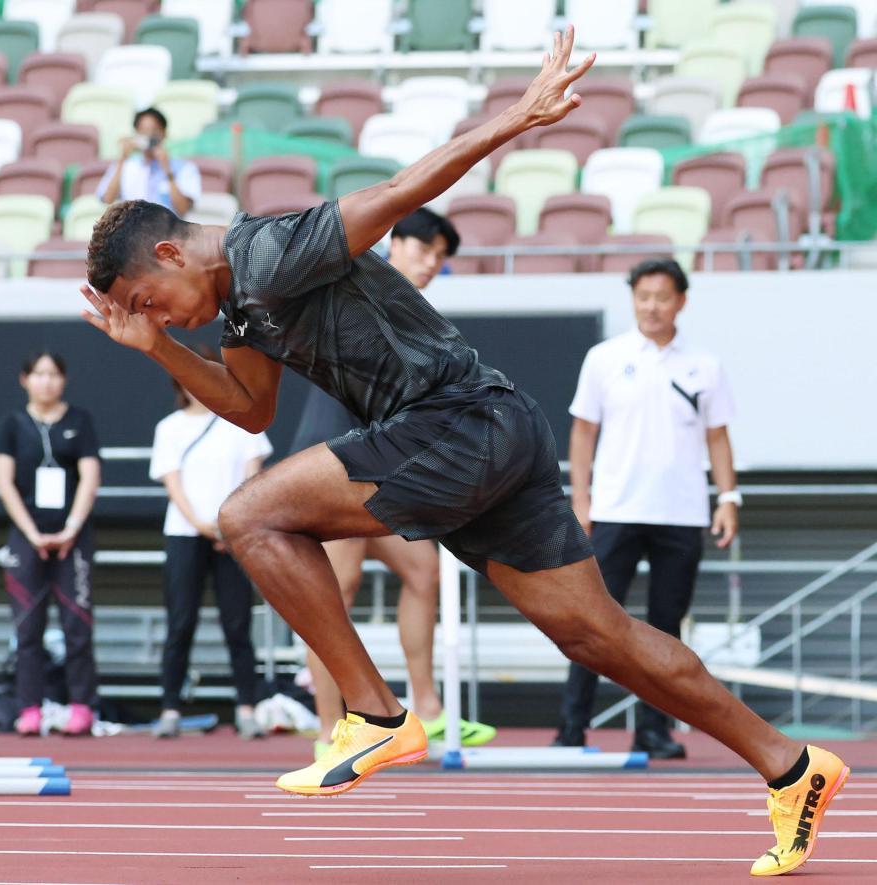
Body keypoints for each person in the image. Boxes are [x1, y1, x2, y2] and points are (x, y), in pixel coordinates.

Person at [79, 29, 849, 876]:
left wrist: (518, 116)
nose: (162, 317)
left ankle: (375, 714)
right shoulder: (237, 312)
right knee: (601, 637)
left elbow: (404, 190)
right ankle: (791, 765)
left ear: (168, 251)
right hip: (488, 431)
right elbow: (252, 411)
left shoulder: (264, 249)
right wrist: (154, 349)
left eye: (152, 303)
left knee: (247, 514)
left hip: (458, 420)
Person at [289, 208, 496, 758]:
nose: (432, 264)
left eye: (440, 258)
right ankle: (331, 729)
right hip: (330, 460)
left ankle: (425, 706)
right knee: (337, 590)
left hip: (376, 461)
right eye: (424, 251)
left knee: (422, 567)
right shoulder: (361, 284)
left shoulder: (413, 307)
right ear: (395, 244)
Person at [555, 258, 740, 759]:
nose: (652, 306)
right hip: (615, 509)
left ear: (681, 300)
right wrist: (582, 497)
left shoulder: (705, 365)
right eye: (643, 297)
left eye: (662, 297)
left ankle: (653, 731)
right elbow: (582, 431)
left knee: (665, 628)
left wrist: (727, 498)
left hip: (681, 514)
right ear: (632, 299)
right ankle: (572, 727)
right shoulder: (604, 358)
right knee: (592, 622)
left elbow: (718, 437)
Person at [149, 346, 273, 739]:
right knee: (180, 622)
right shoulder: (168, 428)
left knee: (237, 624)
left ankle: (247, 707)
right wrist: (205, 525)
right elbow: (174, 485)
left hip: (233, 537)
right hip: (185, 535)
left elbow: (253, 480)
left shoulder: (243, 424)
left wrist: (228, 525)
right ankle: (169, 707)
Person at [0, 351, 101, 736]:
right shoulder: (12, 425)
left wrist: (71, 527)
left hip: (74, 541)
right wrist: (31, 532)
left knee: (78, 626)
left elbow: (90, 477)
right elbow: (4, 482)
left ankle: (82, 706)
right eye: (39, 374)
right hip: (27, 540)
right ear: (25, 379)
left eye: (54, 374)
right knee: (27, 628)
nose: (47, 382)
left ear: (64, 379)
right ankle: (30, 708)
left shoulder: (80, 421)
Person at [98, 107, 201, 218]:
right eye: (143, 131)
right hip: (133, 230)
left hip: (169, 230)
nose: (148, 136)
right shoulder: (126, 165)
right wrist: (123, 158)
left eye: (154, 131)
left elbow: (183, 209)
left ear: (164, 133)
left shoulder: (185, 168)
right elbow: (108, 199)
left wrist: (167, 170)